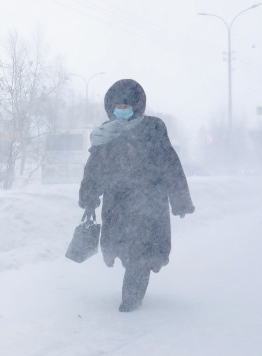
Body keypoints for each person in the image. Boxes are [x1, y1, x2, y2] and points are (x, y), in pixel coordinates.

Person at [79, 79, 195, 312]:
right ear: (110, 107)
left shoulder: (153, 128)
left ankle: (131, 298)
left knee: (142, 253)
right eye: (118, 107)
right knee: (122, 248)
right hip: (117, 204)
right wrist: (89, 198)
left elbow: (170, 163)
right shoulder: (106, 133)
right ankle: (132, 284)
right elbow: (95, 168)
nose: (122, 111)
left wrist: (180, 199)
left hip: (148, 203)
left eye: (127, 106)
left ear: (137, 106)